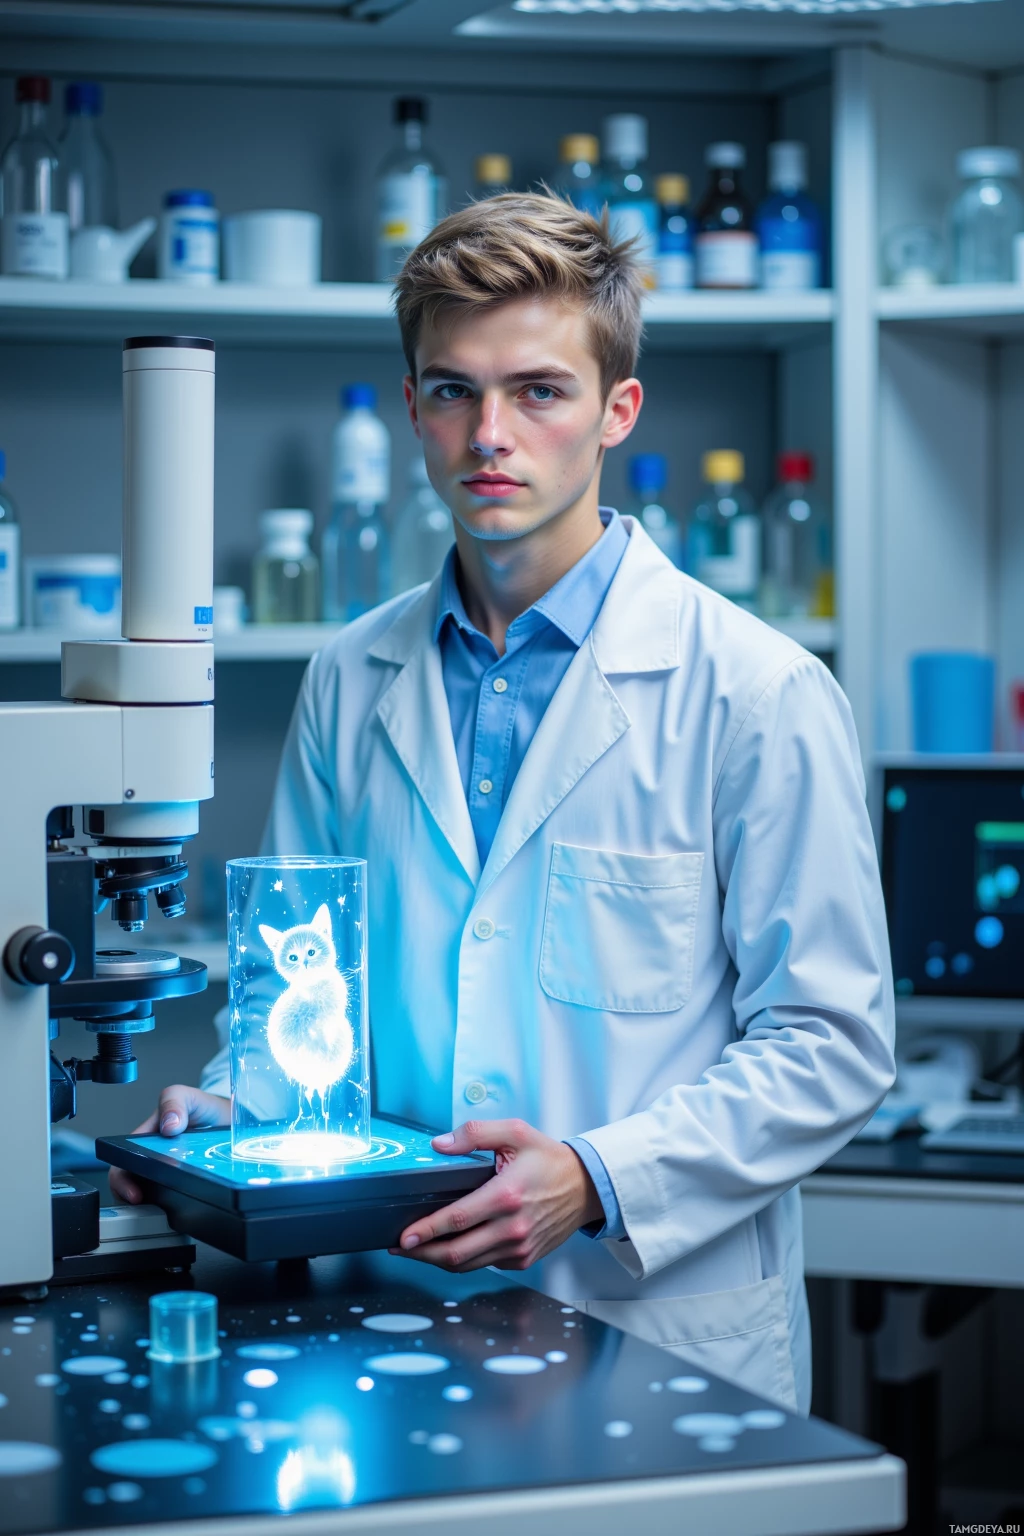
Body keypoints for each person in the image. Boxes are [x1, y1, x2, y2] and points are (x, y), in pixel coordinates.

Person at [111, 193, 895, 1414]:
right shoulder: (349, 675)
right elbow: (296, 989)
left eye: (538, 390)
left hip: (650, 1327)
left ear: (614, 412)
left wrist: (592, 1176)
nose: (490, 433)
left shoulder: (756, 690)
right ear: (413, 409)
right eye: (450, 390)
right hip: (387, 1304)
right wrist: (224, 1112)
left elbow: (832, 1046)